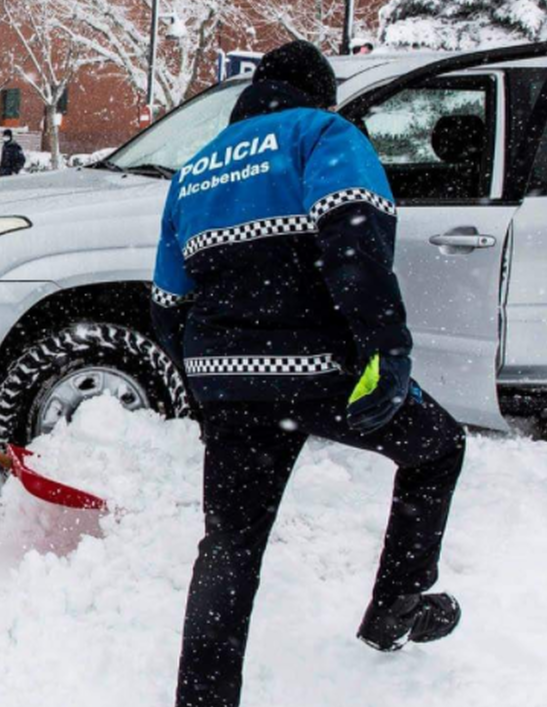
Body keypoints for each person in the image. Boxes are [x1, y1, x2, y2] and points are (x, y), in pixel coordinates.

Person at [151, 40, 466, 707]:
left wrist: (207, 381)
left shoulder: (196, 169)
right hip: (317, 371)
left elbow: (167, 302)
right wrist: (386, 352)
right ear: (319, 93)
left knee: (230, 545)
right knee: (437, 446)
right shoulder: (323, 133)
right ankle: (396, 607)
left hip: (224, 376)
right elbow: (353, 242)